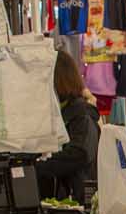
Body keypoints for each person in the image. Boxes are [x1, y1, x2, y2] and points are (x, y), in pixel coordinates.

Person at [38, 50, 98, 200]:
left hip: (77, 198)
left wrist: (38, 166)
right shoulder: (58, 111)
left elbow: (80, 154)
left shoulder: (82, 113)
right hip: (61, 198)